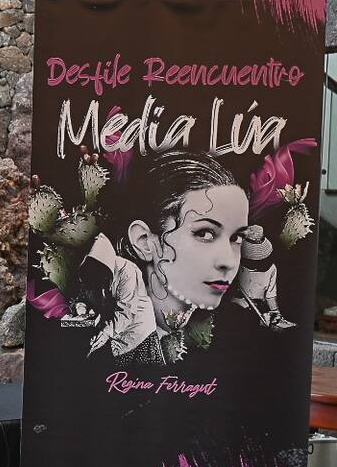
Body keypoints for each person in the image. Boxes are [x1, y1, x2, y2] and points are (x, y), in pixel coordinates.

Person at [88, 150, 250, 365]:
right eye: (204, 233)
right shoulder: (113, 336)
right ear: (145, 241)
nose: (228, 262)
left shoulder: (237, 346)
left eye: (237, 237)